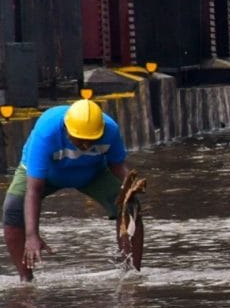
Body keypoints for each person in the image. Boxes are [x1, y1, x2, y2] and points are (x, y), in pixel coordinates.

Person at [3, 99, 144, 281]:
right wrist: (32, 235)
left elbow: (117, 166)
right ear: (67, 130)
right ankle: (26, 280)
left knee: (131, 206)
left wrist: (131, 184)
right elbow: (34, 190)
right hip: (46, 175)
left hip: (91, 172)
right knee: (13, 209)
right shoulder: (47, 131)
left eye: (90, 141)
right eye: (80, 141)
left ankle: (131, 273)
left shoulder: (110, 130)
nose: (85, 146)